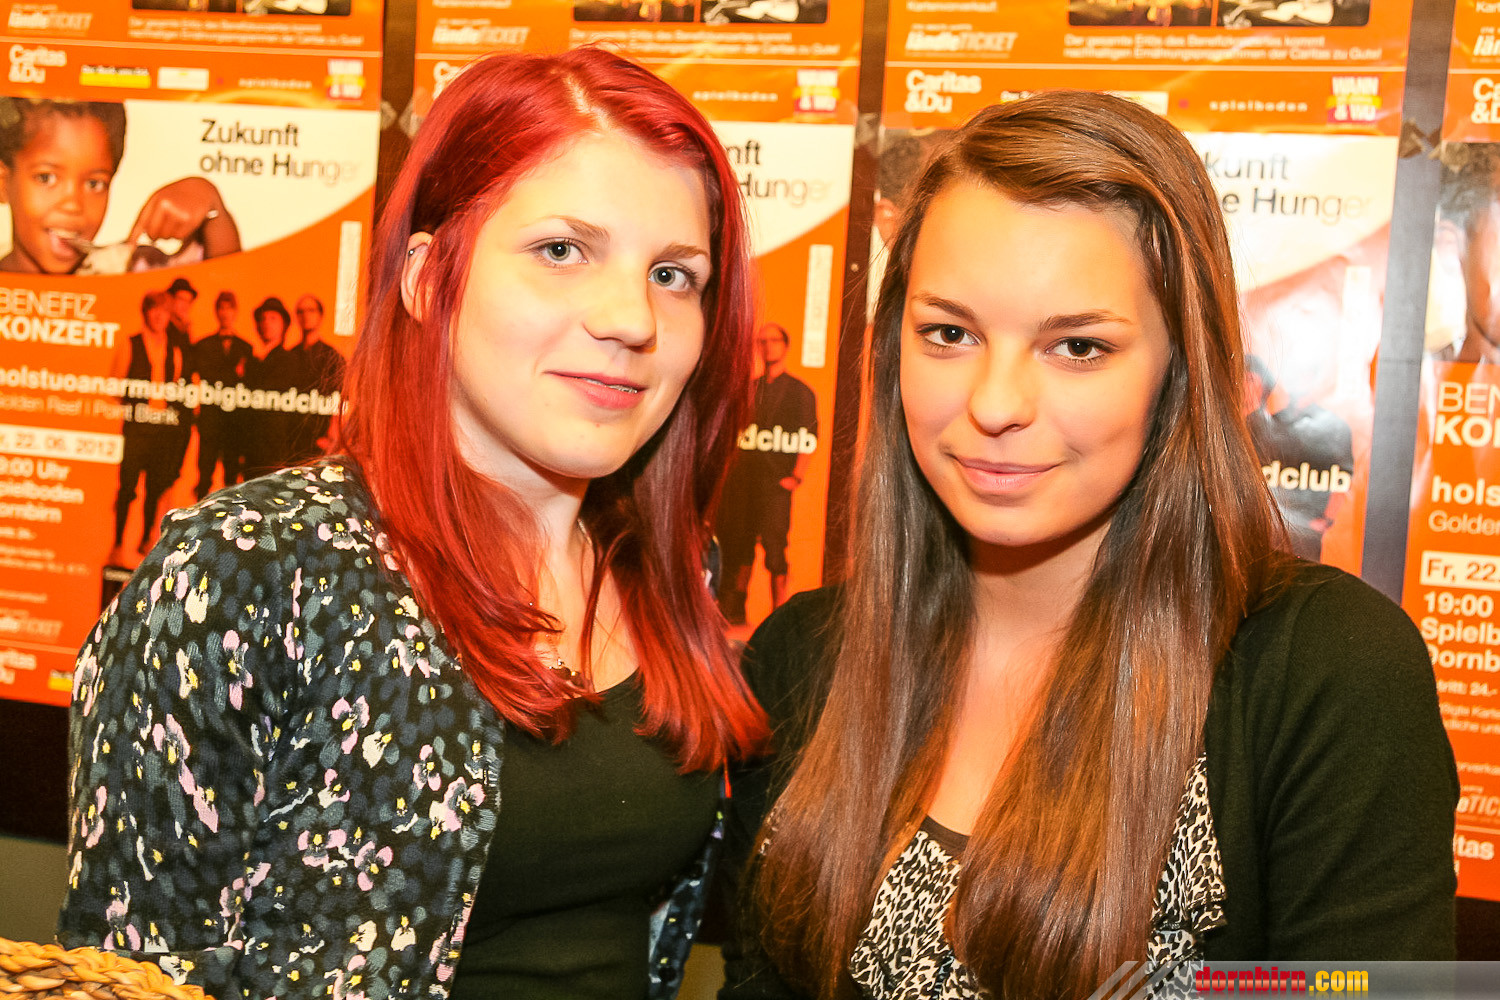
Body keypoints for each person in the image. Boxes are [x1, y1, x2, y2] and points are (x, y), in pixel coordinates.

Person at [60, 47, 765, 1000]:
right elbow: (124, 978)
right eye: (562, 251)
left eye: (674, 274)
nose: (631, 318)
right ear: (429, 278)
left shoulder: (673, 570)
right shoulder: (246, 571)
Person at [720, 92, 1458, 1000]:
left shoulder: (1324, 673)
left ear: (1179, 369)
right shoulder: (802, 657)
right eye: (949, 334)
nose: (996, 404)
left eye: (1076, 347)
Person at [0, 98, 240, 274]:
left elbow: (228, 290)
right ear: (3, 184)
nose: (73, 205)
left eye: (94, 183)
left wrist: (213, 208)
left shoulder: (131, 270)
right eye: (46, 178)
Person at [716, 322, 817, 623]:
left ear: (785, 345)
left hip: (776, 483)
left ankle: (779, 615)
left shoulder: (800, 391)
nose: (768, 346)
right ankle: (736, 611)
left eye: (773, 340)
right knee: (741, 545)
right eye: (762, 341)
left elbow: (811, 435)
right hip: (745, 481)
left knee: (775, 547)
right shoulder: (749, 389)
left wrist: (796, 476)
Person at [105, 290, 190, 567]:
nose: (159, 316)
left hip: (162, 430)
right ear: (146, 312)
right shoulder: (130, 344)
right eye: (154, 310)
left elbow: (175, 387)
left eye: (164, 311)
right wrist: (135, 409)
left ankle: (145, 542)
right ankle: (118, 543)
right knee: (127, 488)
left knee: (155, 489)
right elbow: (114, 386)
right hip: (137, 428)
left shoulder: (174, 350)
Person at [188, 290, 254, 499]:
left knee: (231, 479)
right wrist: (234, 373)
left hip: (235, 424)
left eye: (229, 308)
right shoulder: (203, 345)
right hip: (209, 421)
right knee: (204, 476)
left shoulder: (246, 348)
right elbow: (201, 375)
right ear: (216, 311)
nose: (225, 313)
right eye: (221, 308)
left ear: (236, 312)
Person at [239, 295, 303, 478]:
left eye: (273, 318)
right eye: (263, 319)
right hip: (251, 448)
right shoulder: (252, 361)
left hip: (276, 449)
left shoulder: (289, 360)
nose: (266, 323)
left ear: (284, 325)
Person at [287, 293, 346, 462]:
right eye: (301, 311)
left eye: (311, 310)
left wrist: (332, 435)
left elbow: (340, 397)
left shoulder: (332, 356)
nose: (306, 315)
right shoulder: (291, 355)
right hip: (292, 436)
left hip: (318, 438)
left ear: (320, 315)